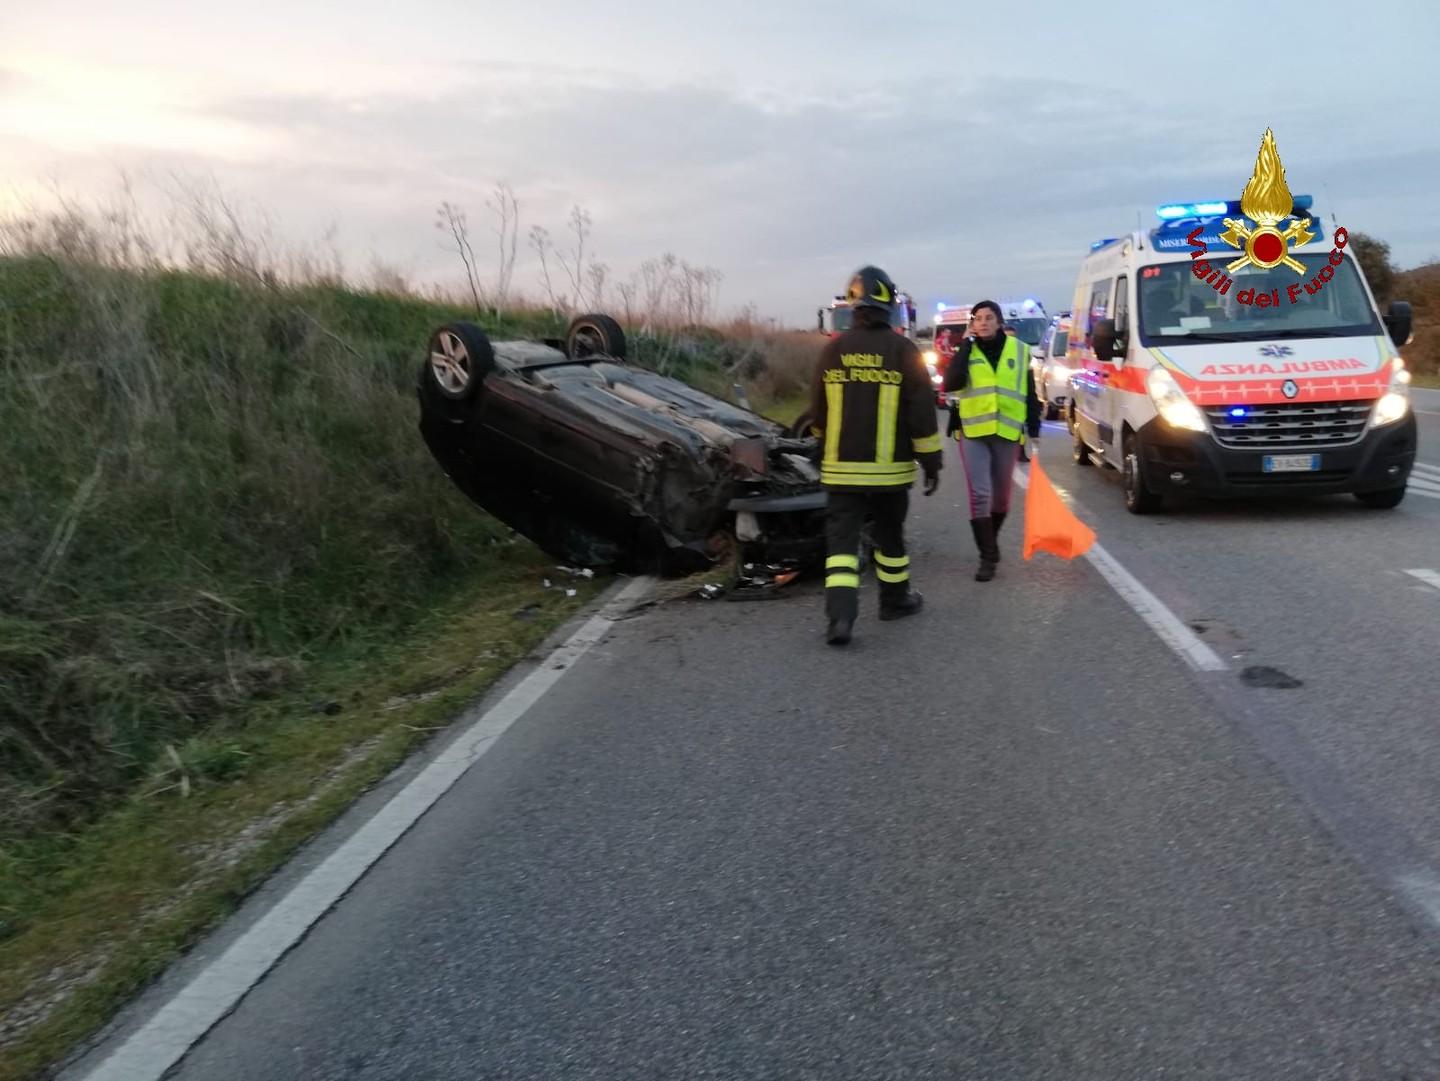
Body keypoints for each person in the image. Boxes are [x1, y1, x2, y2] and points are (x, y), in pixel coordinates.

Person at [809, 265, 943, 646]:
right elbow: (921, 412)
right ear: (889, 307)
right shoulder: (903, 350)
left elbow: (817, 410)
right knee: (890, 538)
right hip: (890, 473)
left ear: (854, 307)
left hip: (841, 469)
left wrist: (821, 447)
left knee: (841, 547)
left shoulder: (832, 350)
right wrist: (931, 462)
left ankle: (840, 619)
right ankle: (894, 600)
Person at [943, 299, 1042, 582]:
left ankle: (991, 542)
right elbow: (950, 383)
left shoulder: (1020, 351)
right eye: (977, 318)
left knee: (1002, 499)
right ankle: (987, 557)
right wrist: (964, 345)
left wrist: (1034, 431)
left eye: (988, 317)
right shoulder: (968, 350)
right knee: (981, 494)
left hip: (1007, 433)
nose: (982, 322)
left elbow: (1030, 394)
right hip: (973, 432)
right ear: (971, 324)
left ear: (999, 321)